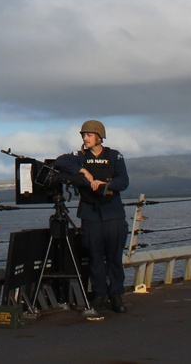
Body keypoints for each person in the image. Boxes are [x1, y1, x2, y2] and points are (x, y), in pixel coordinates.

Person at [54, 119, 130, 312]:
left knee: (114, 257)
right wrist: (82, 170)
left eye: (88, 135)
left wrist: (106, 185)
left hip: (112, 213)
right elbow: (60, 161)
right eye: (83, 135)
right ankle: (99, 295)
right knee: (95, 257)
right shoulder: (80, 156)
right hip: (90, 213)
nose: (85, 138)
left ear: (98, 136)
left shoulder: (114, 156)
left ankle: (117, 295)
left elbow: (123, 181)